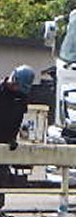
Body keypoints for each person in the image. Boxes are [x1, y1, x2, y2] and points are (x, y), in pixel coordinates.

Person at [0, 65, 35, 208]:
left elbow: (19, 118)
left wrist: (13, 138)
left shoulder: (21, 96)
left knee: (2, 178)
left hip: (7, 143)